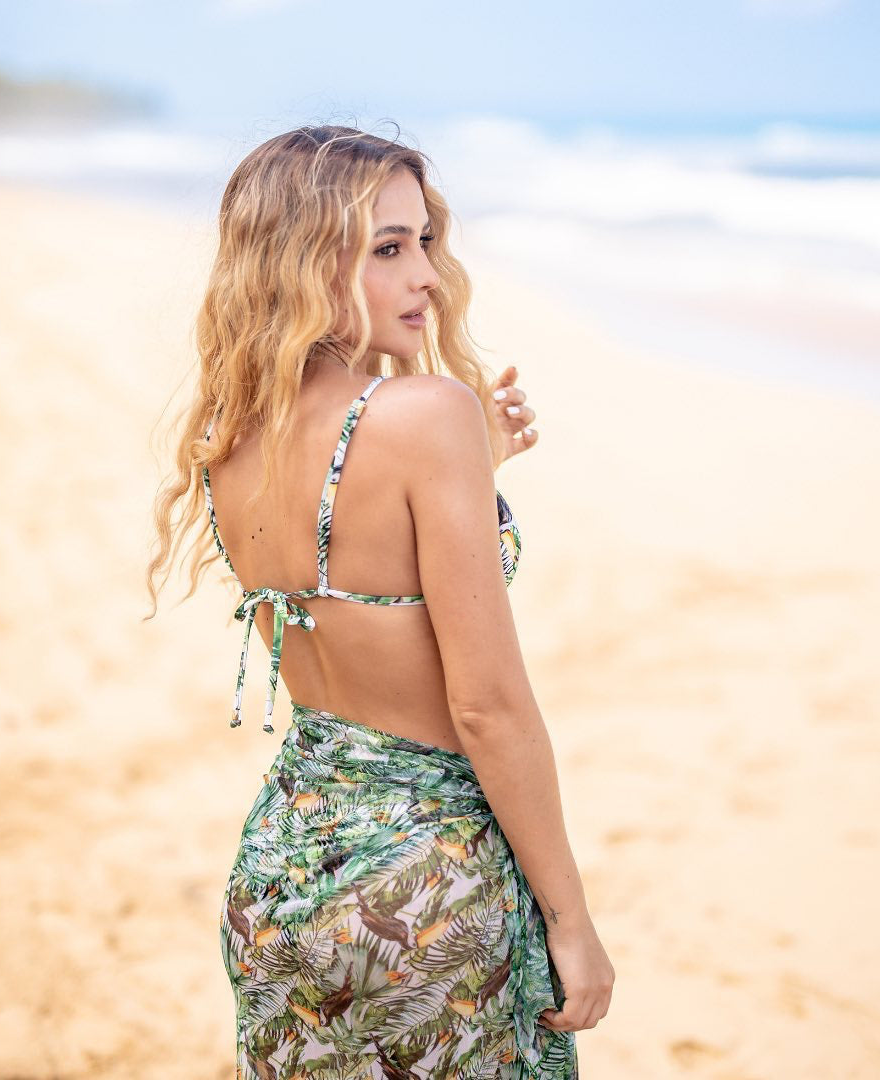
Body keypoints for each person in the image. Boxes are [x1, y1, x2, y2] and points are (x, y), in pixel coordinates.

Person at [145, 123, 613, 1078]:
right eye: (388, 249)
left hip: (284, 874)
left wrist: (479, 470)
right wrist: (572, 922)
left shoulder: (231, 439)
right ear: (306, 264)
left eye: (425, 242)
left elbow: (356, 574)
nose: (428, 278)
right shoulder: (426, 415)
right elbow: (486, 707)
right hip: (423, 887)